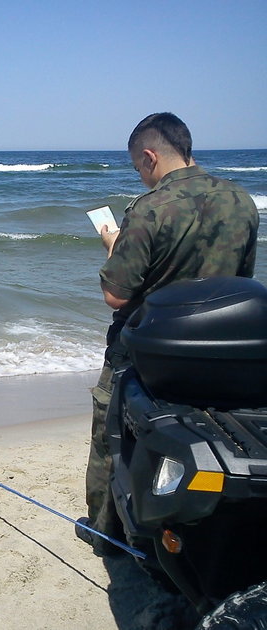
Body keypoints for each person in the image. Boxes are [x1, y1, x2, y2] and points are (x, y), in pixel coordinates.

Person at [78, 112, 259, 555]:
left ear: (150, 156)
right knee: (204, 432)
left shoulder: (151, 207)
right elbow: (241, 283)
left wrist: (113, 245)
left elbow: (116, 295)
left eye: (139, 168)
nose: (141, 177)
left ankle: (109, 533)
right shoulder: (241, 200)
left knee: (112, 431)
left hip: (149, 345)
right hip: (218, 347)